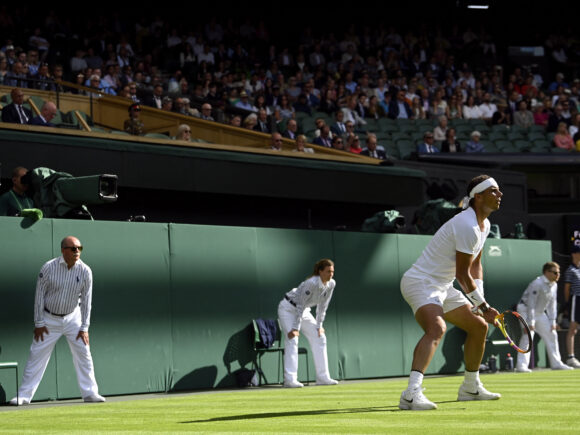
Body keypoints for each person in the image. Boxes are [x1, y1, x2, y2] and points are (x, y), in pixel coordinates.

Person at [399, 174, 503, 410]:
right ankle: (410, 394)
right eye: (493, 191)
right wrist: (484, 307)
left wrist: (480, 302)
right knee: (437, 328)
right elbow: (463, 275)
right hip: (420, 282)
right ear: (478, 197)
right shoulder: (466, 225)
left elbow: (476, 265)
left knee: (479, 326)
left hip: (443, 286)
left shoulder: (484, 225)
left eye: (499, 191)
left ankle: (470, 387)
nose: (500, 195)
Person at [10, 236, 105, 405]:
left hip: (73, 318)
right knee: (36, 355)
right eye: (73, 248)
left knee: (84, 354)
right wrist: (39, 323)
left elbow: (87, 302)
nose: (77, 251)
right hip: (48, 320)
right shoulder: (48, 268)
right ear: (63, 250)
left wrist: (84, 327)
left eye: (79, 248)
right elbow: (39, 296)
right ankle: (24, 396)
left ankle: (90, 394)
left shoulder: (85, 271)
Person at [277, 258, 338, 387]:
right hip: (288, 309)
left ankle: (323, 377)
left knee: (320, 337)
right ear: (320, 272)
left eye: (332, 272)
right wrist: (295, 328)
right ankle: (290, 379)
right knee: (293, 339)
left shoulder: (331, 284)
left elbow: (323, 306)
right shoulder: (311, 283)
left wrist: (319, 325)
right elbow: (300, 304)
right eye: (328, 271)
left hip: (303, 311)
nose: (331, 274)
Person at [515, 262, 573, 372]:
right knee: (528, 336)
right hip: (525, 310)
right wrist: (530, 322)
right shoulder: (537, 283)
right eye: (555, 272)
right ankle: (521, 366)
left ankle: (556, 364)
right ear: (547, 272)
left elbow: (552, 305)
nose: (558, 275)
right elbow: (531, 304)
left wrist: (552, 322)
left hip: (540, 313)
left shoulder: (554, 285)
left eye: (559, 273)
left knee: (552, 334)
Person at [564, 245, 580, 368]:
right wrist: (567, 305)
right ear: (574, 254)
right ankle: (571, 357)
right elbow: (567, 289)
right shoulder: (570, 270)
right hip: (576, 299)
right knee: (573, 329)